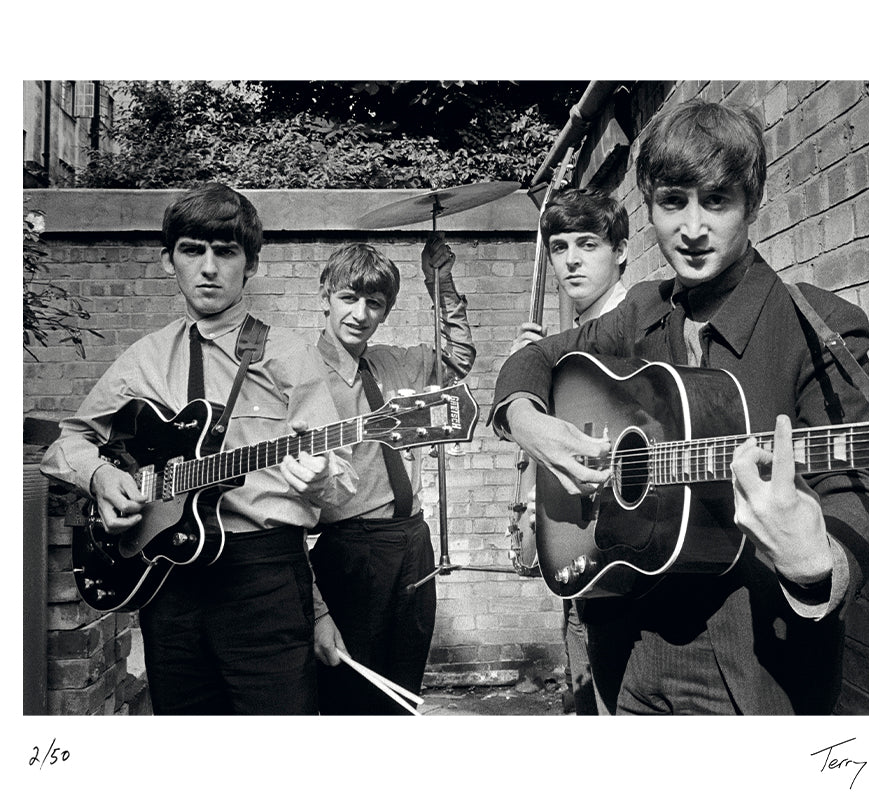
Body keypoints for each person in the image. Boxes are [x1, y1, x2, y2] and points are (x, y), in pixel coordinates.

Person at [490, 100, 869, 715]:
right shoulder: (638, 315)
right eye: (673, 201)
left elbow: (863, 483)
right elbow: (538, 360)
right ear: (651, 207)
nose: (693, 228)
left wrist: (819, 561)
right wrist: (528, 422)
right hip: (626, 652)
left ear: (753, 205)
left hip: (757, 667)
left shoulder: (816, 324)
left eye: (717, 201)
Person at [40, 182, 357, 715]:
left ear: (250, 264)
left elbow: (341, 473)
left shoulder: (288, 356)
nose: (209, 267)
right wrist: (99, 478)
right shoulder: (144, 358)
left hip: (265, 581)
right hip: (168, 580)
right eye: (192, 250)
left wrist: (321, 474)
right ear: (170, 261)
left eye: (226, 252)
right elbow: (69, 440)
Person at [309, 235, 475, 714]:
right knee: (352, 695)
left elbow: (458, 361)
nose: (360, 313)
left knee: (404, 689)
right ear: (324, 297)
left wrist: (439, 281)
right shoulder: (298, 373)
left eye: (374, 304)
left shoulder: (395, 362)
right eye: (348, 298)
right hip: (351, 549)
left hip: (412, 543)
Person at [509, 187, 634, 715]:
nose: (572, 260)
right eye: (559, 248)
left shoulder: (640, 329)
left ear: (621, 250)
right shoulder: (565, 344)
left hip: (628, 561)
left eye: (588, 244)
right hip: (580, 552)